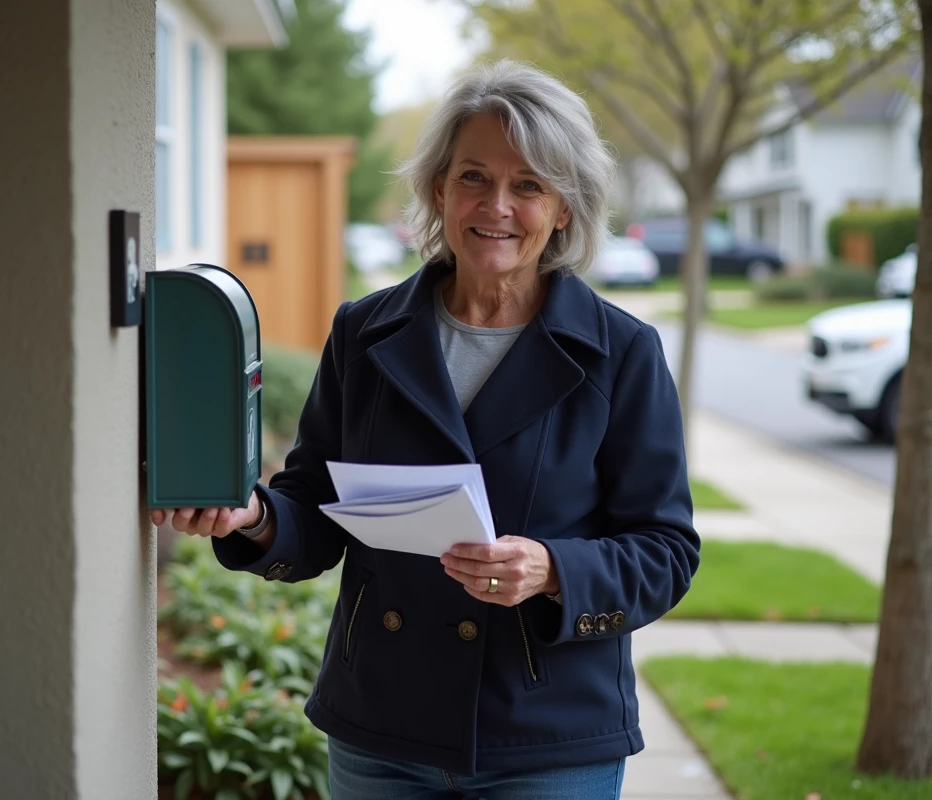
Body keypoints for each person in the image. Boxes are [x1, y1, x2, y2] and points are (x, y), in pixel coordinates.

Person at [151, 59, 700, 800]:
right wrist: (253, 517)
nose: (496, 205)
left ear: (565, 208)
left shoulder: (622, 352)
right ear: (439, 188)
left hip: (548, 741)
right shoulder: (364, 333)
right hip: (381, 730)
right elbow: (314, 508)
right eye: (474, 176)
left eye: (528, 185)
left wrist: (551, 570)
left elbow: (665, 552)